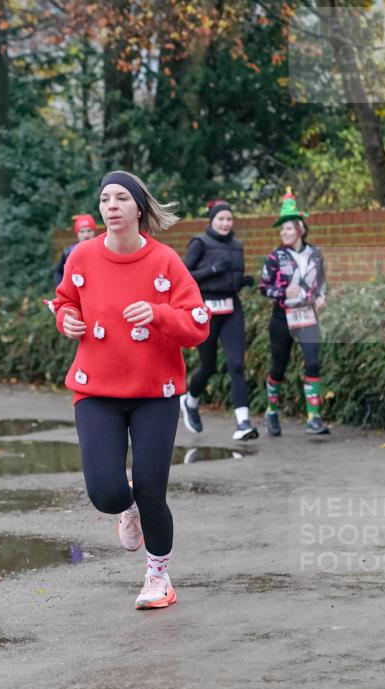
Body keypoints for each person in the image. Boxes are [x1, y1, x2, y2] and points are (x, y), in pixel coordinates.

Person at [52, 170, 211, 610]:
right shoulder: (81, 257)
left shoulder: (165, 263)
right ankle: (126, 507)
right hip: (95, 390)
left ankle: (158, 577)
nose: (111, 205)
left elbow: (198, 325)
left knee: (151, 489)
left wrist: (160, 314)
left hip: (154, 393)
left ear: (139, 207)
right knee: (106, 492)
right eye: (105, 199)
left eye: (121, 197)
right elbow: (65, 301)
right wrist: (65, 319)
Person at [179, 199, 259, 441]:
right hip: (206, 310)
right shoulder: (200, 243)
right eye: (221, 219)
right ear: (212, 221)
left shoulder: (237, 245)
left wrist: (242, 282)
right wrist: (212, 271)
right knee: (209, 366)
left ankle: (243, 422)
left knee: (236, 365)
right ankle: (190, 400)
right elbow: (183, 276)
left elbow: (231, 276)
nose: (225, 223)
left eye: (229, 219)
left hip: (232, 308)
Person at [260, 187, 330, 437]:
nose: (284, 232)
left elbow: (321, 282)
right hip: (282, 318)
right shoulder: (275, 257)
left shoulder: (315, 254)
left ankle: (314, 418)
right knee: (279, 366)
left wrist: (321, 296)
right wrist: (282, 292)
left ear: (300, 229)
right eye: (282, 229)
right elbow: (263, 287)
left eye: (288, 228)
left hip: (307, 316)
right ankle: (271, 411)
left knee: (312, 362)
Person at [52, 214, 97, 285]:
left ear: (94, 232)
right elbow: (58, 272)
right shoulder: (69, 252)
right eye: (82, 232)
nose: (86, 235)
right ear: (77, 234)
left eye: (89, 231)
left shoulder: (102, 249)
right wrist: (62, 288)